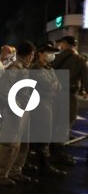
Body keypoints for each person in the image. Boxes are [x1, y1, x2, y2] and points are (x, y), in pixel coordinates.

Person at [0, 41, 37, 186]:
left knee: (23, 144)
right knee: (10, 144)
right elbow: (2, 88)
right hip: (15, 112)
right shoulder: (15, 67)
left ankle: (15, 171)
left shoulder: (24, 67)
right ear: (30, 54)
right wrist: (15, 105)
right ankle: (0, 174)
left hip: (24, 110)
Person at [50, 35, 88, 166]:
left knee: (54, 122)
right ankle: (58, 153)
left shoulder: (57, 57)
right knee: (65, 123)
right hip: (69, 95)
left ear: (65, 43)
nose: (60, 45)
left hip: (54, 94)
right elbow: (85, 78)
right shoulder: (80, 58)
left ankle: (50, 151)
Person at [30, 42, 66, 177]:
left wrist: (54, 85)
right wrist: (54, 85)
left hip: (48, 103)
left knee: (46, 133)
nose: (51, 55)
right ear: (40, 53)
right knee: (43, 134)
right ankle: (44, 165)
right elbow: (48, 86)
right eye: (49, 52)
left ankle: (43, 163)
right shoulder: (36, 68)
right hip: (40, 104)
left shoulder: (48, 68)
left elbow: (58, 86)